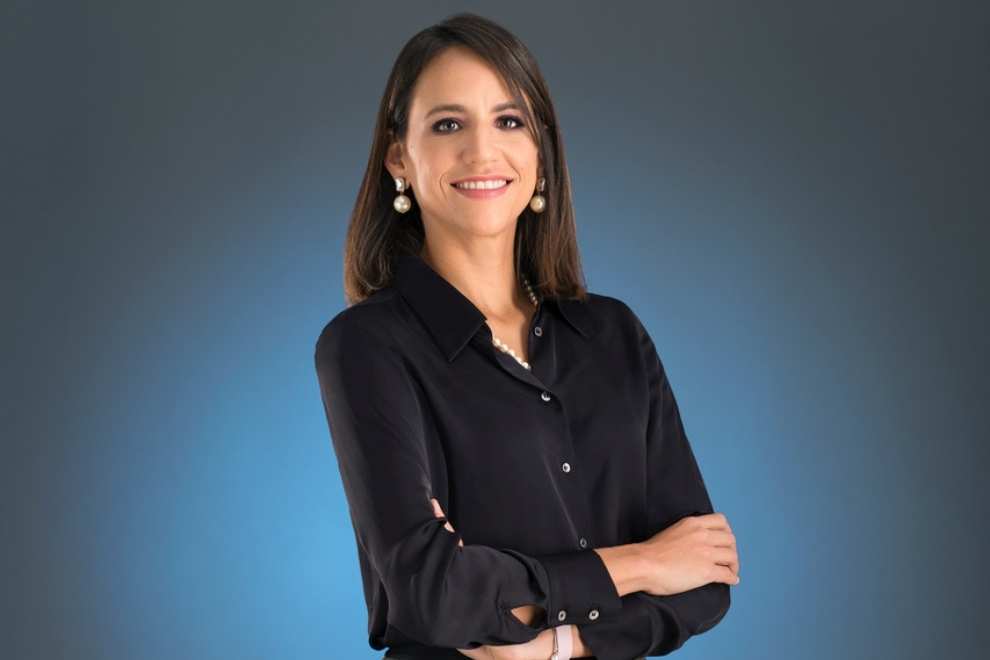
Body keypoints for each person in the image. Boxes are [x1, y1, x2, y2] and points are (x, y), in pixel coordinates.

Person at [314, 12, 740, 660]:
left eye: (509, 121)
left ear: (541, 153)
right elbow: (435, 594)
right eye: (448, 124)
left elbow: (708, 575)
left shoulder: (614, 334)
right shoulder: (366, 346)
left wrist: (555, 641)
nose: (482, 152)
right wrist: (646, 563)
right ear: (399, 156)